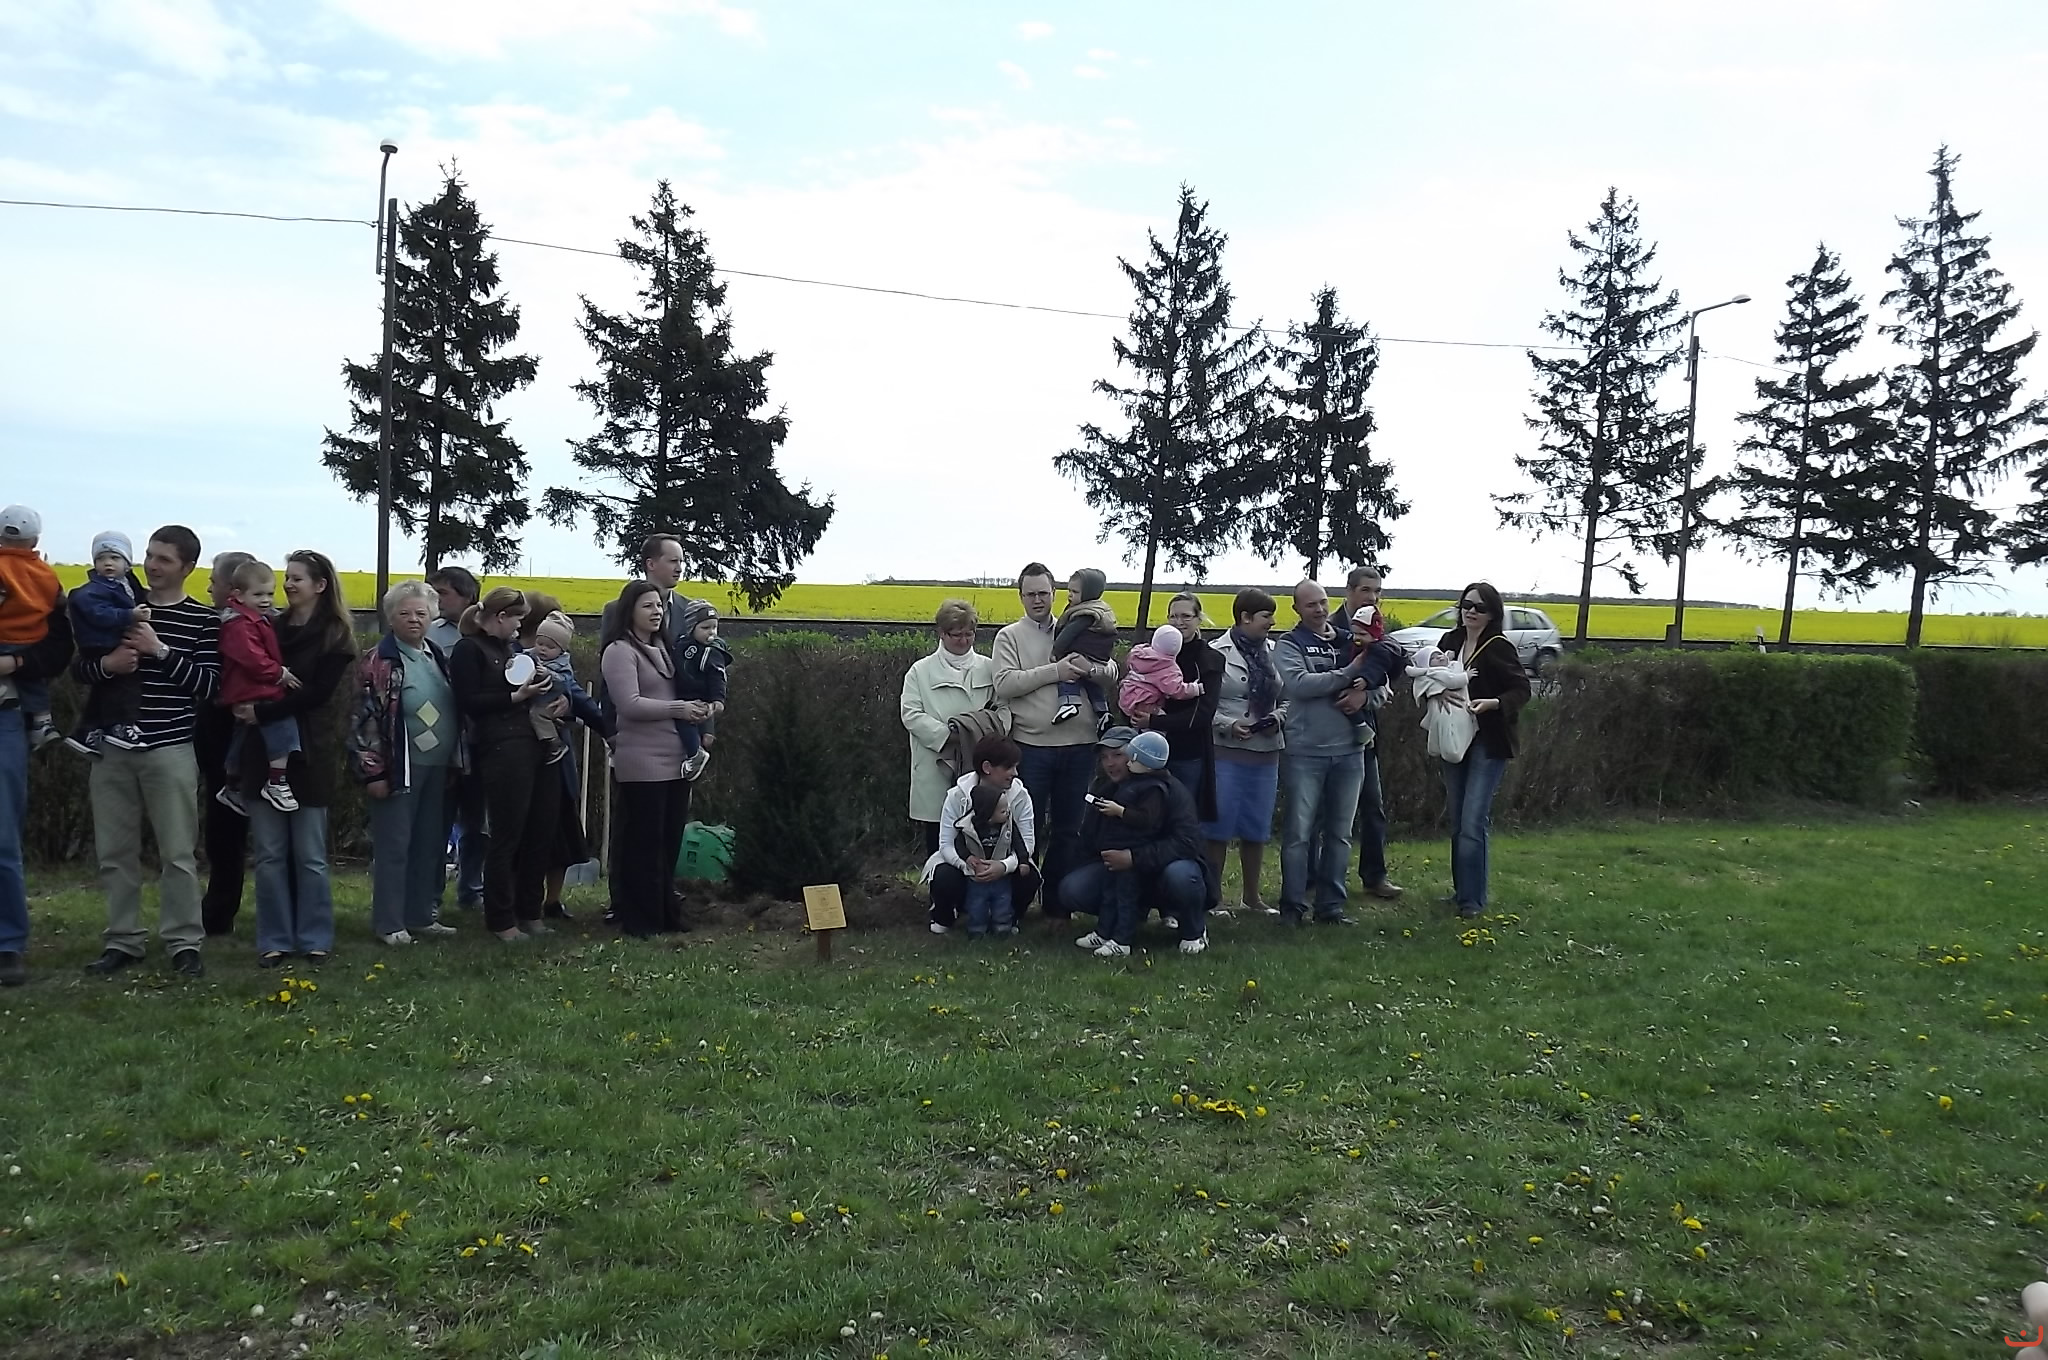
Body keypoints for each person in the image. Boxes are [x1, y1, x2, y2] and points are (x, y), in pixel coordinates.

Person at [72, 525, 219, 979]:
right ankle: (123, 940)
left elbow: (209, 685)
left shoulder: (203, 620)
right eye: (150, 556)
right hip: (112, 748)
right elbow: (80, 669)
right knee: (115, 852)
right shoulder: (118, 606)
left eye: (164, 559)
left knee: (177, 854)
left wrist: (160, 650)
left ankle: (184, 942)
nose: (152, 566)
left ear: (188, 567)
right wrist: (107, 665)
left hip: (169, 748)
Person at [235, 550, 354, 967]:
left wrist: (263, 711)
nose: (287, 585)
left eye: (297, 578)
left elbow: (317, 694)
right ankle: (274, 939)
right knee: (269, 855)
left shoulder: (336, 635)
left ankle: (315, 937)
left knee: (310, 855)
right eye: (286, 577)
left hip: (311, 751)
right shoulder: (266, 626)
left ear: (320, 585)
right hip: (263, 751)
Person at [1272, 580, 1406, 927]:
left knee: (1340, 834)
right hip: (1305, 752)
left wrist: (1364, 696)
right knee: (1299, 835)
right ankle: (1292, 907)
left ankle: (1330, 907)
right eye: (1310, 604)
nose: (1319, 609)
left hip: (1350, 751)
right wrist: (1348, 672)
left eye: (1322, 602)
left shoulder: (1352, 639)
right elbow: (1300, 684)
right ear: (1296, 609)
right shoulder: (1289, 644)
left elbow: (1383, 684)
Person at [993, 564, 1117, 920]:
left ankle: (1057, 907)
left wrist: (1091, 671)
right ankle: (1016, 907)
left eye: (1043, 593)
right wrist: (1055, 672)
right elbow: (1005, 683)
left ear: (1054, 594)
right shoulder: (1009, 637)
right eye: (1030, 594)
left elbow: (1111, 671)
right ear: (1021, 596)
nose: (1037, 600)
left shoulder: (1079, 623)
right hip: (1031, 747)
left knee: (1069, 830)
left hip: (1080, 746)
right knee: (1024, 828)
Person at [351, 580, 463, 946]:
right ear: (390, 617)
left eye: (421, 613)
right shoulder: (379, 661)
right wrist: (373, 771)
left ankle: (420, 915)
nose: (414, 619)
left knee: (429, 844)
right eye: (405, 613)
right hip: (400, 767)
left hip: (438, 767)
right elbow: (363, 720)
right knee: (395, 846)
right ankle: (389, 923)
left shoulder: (436, 655)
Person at [451, 587, 562, 942]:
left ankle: (529, 910)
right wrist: (516, 696)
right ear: (500, 617)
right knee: (507, 833)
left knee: (539, 829)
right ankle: (501, 919)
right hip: (501, 746)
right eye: (517, 619)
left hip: (532, 742)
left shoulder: (509, 649)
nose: (520, 626)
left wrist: (546, 688)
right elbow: (469, 701)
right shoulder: (469, 649)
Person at [601, 580, 699, 937]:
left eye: (659, 605)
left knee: (669, 841)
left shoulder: (666, 648)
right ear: (629, 611)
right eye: (647, 606)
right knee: (644, 843)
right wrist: (678, 708)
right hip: (642, 761)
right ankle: (640, 919)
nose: (656, 612)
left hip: (676, 759)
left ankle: (666, 914)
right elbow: (629, 704)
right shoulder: (619, 651)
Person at [1063, 728, 1216, 956]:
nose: (1110, 763)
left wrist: (1134, 858)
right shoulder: (1106, 789)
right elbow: (1089, 839)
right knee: (1073, 888)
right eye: (1104, 757)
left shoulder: (1169, 789)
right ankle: (1113, 928)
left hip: (1166, 867)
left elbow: (1186, 843)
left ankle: (1193, 929)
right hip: (1122, 867)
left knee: (1181, 876)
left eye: (1118, 755)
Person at [1438, 582, 1532, 919]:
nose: (1471, 612)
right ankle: (1461, 891)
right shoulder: (1450, 641)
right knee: (1457, 819)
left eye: (1479, 607)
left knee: (1472, 821)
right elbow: (1431, 677)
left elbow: (1521, 689)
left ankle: (1472, 900)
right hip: (1453, 737)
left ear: (1492, 613)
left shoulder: (1498, 647)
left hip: (1488, 741)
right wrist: (1436, 692)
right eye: (1466, 605)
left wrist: (1493, 703)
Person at [0, 592, 72, 987]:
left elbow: (57, 647)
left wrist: (15, 663)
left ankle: (6, 944)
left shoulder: (26, 578)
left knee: (2, 837)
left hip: (4, 715)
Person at [1204, 589, 1286, 915]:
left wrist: (1277, 717)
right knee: (1218, 827)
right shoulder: (1215, 652)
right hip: (1225, 750)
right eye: (1267, 616)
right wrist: (1227, 724)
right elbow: (1203, 703)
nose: (1272, 622)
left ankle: (1252, 897)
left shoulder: (1275, 653)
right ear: (1245, 617)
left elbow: (1288, 697)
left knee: (1257, 826)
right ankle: (1213, 898)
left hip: (1266, 751)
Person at [900, 599, 1000, 855]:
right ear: (941, 633)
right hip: (937, 765)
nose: (964, 641)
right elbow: (911, 714)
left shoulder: (989, 668)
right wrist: (950, 736)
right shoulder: (920, 671)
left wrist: (981, 734)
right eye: (957, 635)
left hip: (980, 763)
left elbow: (1004, 710)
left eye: (969, 634)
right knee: (939, 843)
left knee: (981, 838)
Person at [1332, 565, 1404, 902]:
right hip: (1327, 732)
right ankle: (1316, 878)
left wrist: (1366, 695)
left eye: (1377, 592)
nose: (1372, 598)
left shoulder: (1379, 630)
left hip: (1365, 735)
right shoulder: (1329, 627)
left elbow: (1388, 678)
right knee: (1323, 813)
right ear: (1349, 591)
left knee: (1373, 806)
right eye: (1365, 590)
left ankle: (1375, 877)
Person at [525, 608, 601, 922]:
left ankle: (552, 900)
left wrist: (607, 728)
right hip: (527, 757)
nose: (543, 648)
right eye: (540, 641)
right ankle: (524, 900)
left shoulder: (562, 671)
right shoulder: (521, 660)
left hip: (558, 759)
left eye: (550, 644)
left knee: (562, 831)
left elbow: (580, 701)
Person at [920, 734, 1038, 936]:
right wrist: (967, 865)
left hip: (1004, 861)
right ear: (987, 767)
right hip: (966, 863)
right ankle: (945, 916)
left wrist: (1003, 866)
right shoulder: (957, 795)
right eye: (1008, 767)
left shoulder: (1021, 795)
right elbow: (946, 844)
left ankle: (1010, 917)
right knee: (943, 875)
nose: (1015, 773)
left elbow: (1027, 842)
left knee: (1029, 875)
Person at [214, 559, 302, 814]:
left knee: (243, 733)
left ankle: (232, 782)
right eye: (258, 595)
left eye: (270, 594)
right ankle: (277, 781)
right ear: (238, 595)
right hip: (253, 687)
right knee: (282, 721)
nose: (266, 600)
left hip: (246, 686)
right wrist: (279, 674)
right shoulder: (239, 625)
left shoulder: (255, 618)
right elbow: (252, 658)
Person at [197, 549, 254, 936]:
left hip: (234, 739)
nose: (209, 589)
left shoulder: (239, 628)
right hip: (220, 738)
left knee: (226, 831)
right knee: (224, 832)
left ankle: (219, 914)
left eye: (213, 582)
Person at [426, 565, 485, 909]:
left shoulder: (485, 631)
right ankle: (430, 896)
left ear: (467, 596)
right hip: (443, 741)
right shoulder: (429, 634)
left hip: (479, 742)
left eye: (443, 593)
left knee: (478, 823)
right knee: (438, 822)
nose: (436, 600)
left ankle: (472, 890)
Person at [64, 531, 151, 754]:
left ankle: (86, 731)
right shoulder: (93, 590)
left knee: (104, 690)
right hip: (101, 643)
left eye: (114, 557)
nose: (108, 563)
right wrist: (130, 615)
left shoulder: (126, 584)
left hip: (109, 641)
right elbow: (99, 614)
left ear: (128, 564)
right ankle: (120, 725)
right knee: (125, 685)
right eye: (101, 559)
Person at [1142, 591, 1224, 823]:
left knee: (1182, 818)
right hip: (1150, 750)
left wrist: (1155, 722)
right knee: (1149, 817)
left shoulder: (1210, 659)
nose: (1179, 622)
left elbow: (1204, 712)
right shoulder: (1152, 655)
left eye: (1186, 616)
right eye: (1173, 616)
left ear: (1199, 619)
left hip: (1188, 751)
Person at [0, 505, 63, 752]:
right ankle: (42, 721)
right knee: (32, 681)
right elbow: (56, 604)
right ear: (35, 541)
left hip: (3, 636)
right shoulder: (46, 573)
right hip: (33, 638)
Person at [671, 598, 730, 781]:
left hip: (697, 697)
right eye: (705, 628)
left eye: (714, 627)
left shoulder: (712, 652)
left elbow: (718, 677)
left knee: (686, 721)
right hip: (683, 694)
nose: (711, 632)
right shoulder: (683, 643)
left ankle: (695, 753)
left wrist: (718, 699)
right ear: (691, 628)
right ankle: (699, 744)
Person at [1050, 568, 1118, 724]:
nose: (1069, 595)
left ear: (1088, 594)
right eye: (1069, 590)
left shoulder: (1085, 613)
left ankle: (1069, 702)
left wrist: (1056, 651)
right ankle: (1102, 711)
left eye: (1074, 592)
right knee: (1092, 683)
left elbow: (1069, 633)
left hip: (1084, 651)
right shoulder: (1102, 608)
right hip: (1099, 655)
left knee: (1069, 672)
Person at [1119, 624, 1204, 725]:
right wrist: (1195, 689)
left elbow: (1127, 665)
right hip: (1145, 703)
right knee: (1160, 722)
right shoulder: (1167, 669)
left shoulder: (1138, 653)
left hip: (1126, 694)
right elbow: (1176, 690)